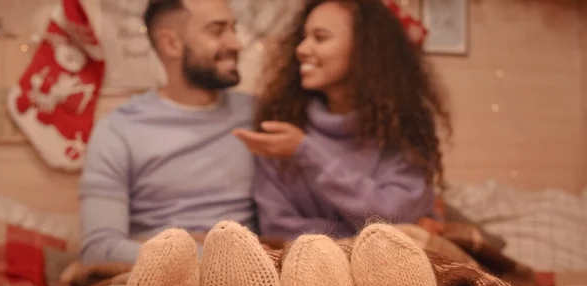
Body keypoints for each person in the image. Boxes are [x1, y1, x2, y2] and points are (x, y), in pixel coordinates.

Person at [234, 0, 451, 240]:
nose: (302, 49)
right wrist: (364, 235)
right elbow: (276, 228)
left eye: (320, 37)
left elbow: (394, 215)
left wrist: (307, 153)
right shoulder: (282, 124)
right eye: (303, 37)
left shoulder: (400, 127)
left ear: (364, 49)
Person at [79, 0, 256, 265]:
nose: (235, 44)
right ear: (171, 43)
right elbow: (98, 250)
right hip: (161, 280)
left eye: (233, 29)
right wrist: (208, 259)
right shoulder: (120, 129)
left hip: (252, 276)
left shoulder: (258, 114)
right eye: (217, 31)